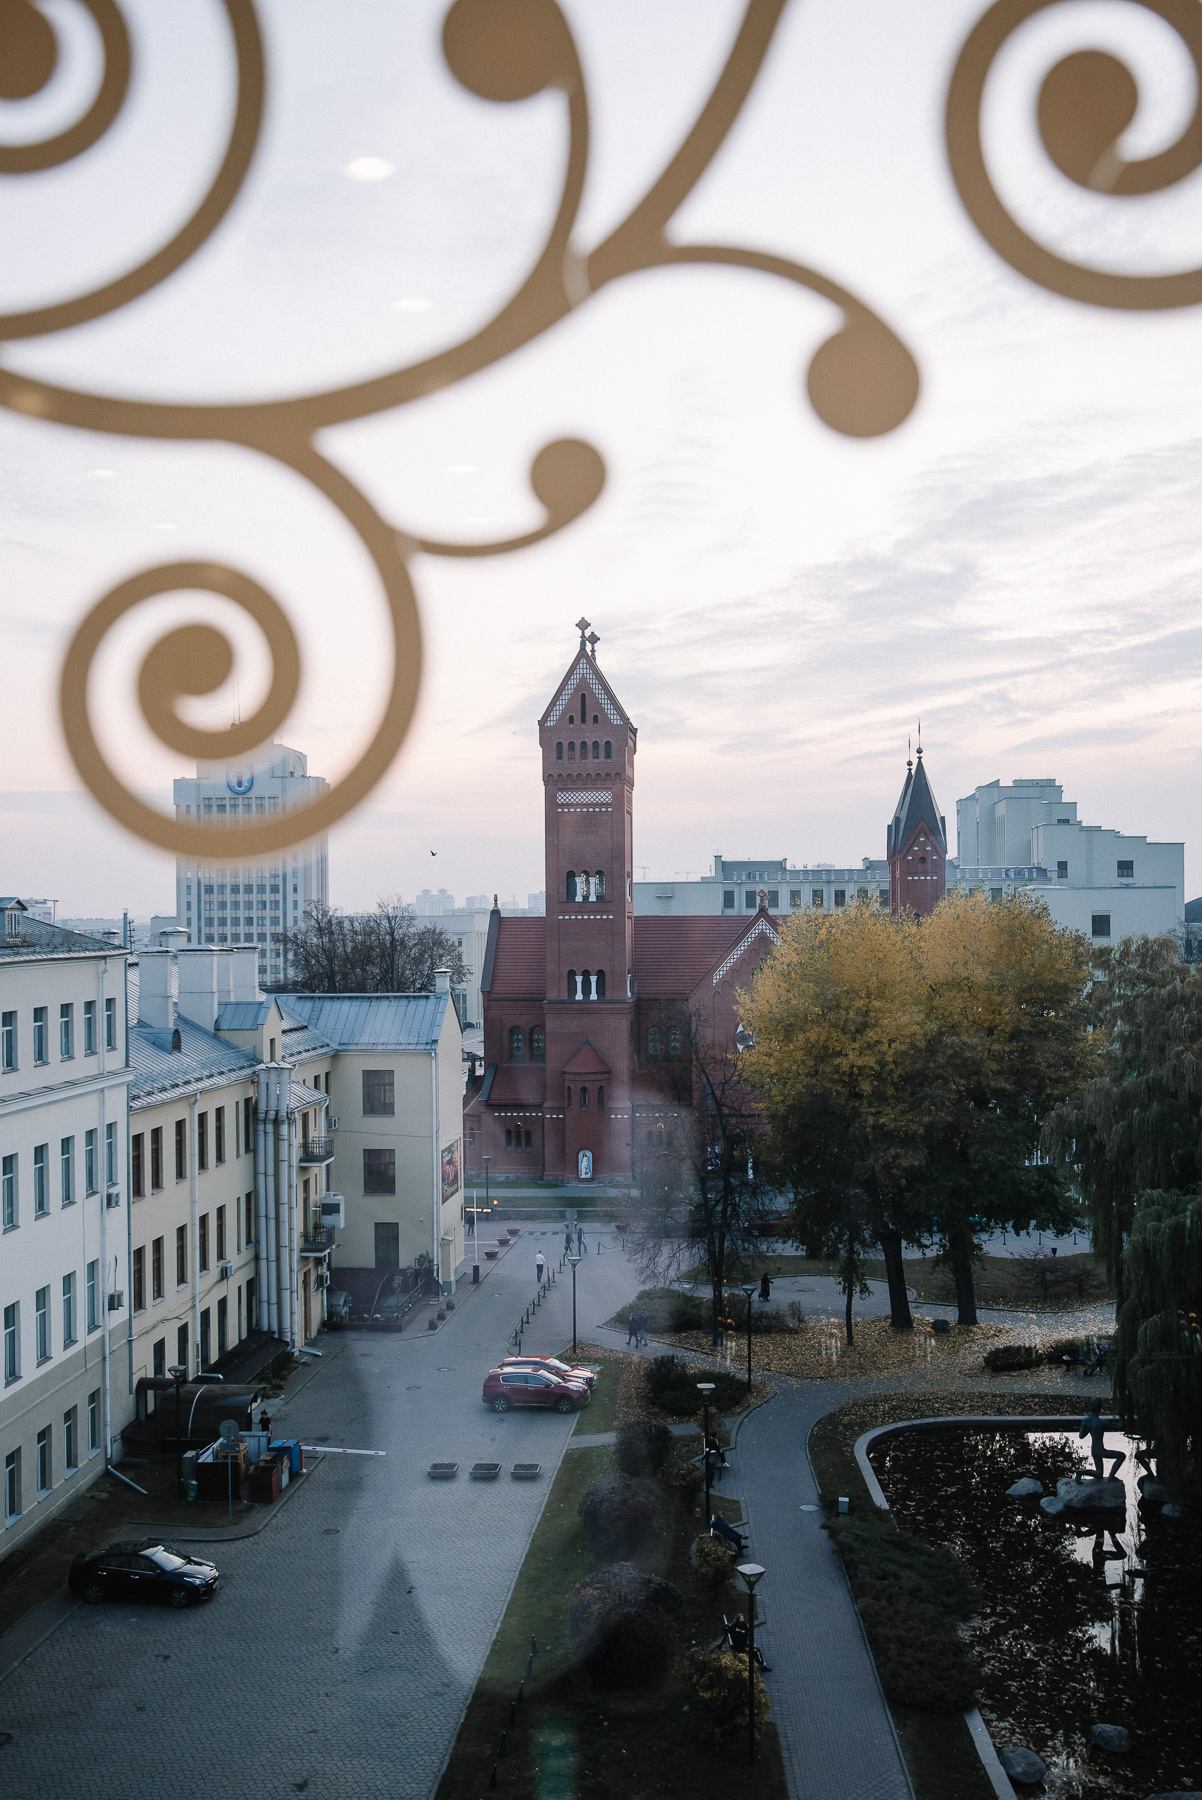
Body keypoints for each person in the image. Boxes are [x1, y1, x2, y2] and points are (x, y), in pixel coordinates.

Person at [1079, 1397, 1125, 1479]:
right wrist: (1122, 1419)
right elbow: (1118, 1427)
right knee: (1122, 1456)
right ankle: (1111, 1476)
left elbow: (1081, 1436)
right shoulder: (1102, 1422)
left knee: (1099, 1474)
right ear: (1100, 1408)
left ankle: (1080, 1472)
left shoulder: (1085, 1421)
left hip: (1094, 1450)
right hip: (1101, 1450)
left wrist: (1089, 1429)